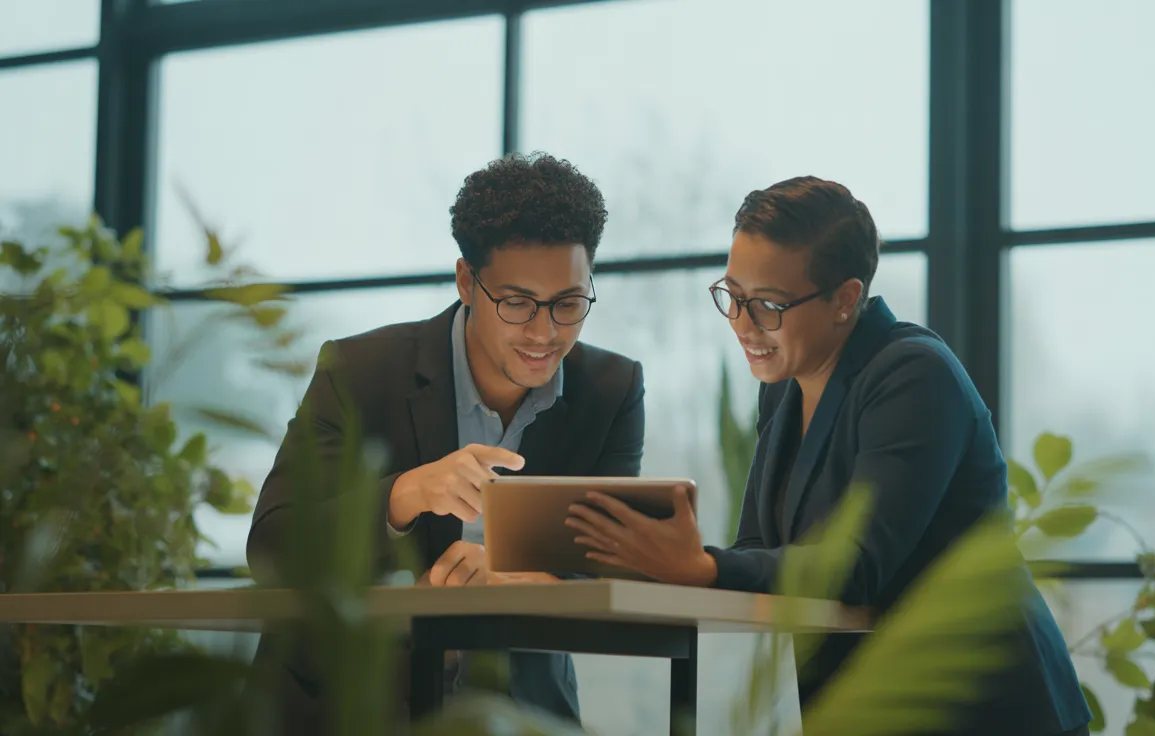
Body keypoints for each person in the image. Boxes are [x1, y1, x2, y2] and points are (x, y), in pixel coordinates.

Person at [563, 177, 1091, 736]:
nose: (743, 324)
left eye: (768, 304)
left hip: (982, 709)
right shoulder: (785, 386)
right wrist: (659, 558)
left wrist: (704, 566)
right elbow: (760, 551)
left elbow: (855, 565)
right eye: (732, 295)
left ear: (844, 299)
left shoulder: (913, 375)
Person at [245, 152, 645, 733]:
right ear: (466, 281)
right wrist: (402, 497)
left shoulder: (611, 390)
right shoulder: (359, 371)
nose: (544, 331)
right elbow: (274, 550)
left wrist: (533, 581)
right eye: (517, 303)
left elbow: (614, 555)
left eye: (568, 303)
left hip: (521, 713)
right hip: (347, 708)